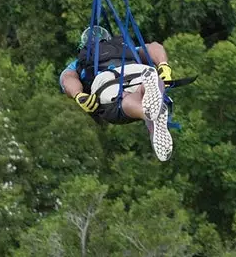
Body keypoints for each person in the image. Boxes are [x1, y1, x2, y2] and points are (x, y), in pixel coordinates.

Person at [60, 26, 175, 161]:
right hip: (138, 70)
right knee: (147, 84)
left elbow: (67, 78)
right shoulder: (125, 49)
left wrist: (78, 94)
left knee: (122, 99)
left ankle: (146, 113)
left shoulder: (79, 62)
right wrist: (163, 65)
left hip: (106, 80)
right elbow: (153, 47)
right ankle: (153, 101)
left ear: (83, 45)